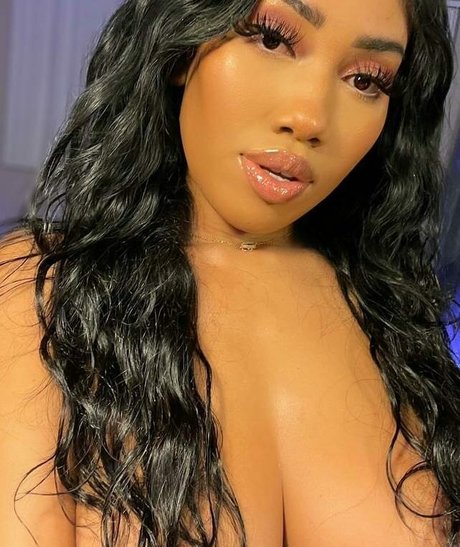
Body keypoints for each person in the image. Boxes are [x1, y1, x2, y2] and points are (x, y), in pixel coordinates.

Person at [0, 0, 459, 545]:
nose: (310, 119)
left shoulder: (396, 323)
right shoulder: (44, 293)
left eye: (366, 80)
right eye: (271, 39)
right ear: (181, 45)